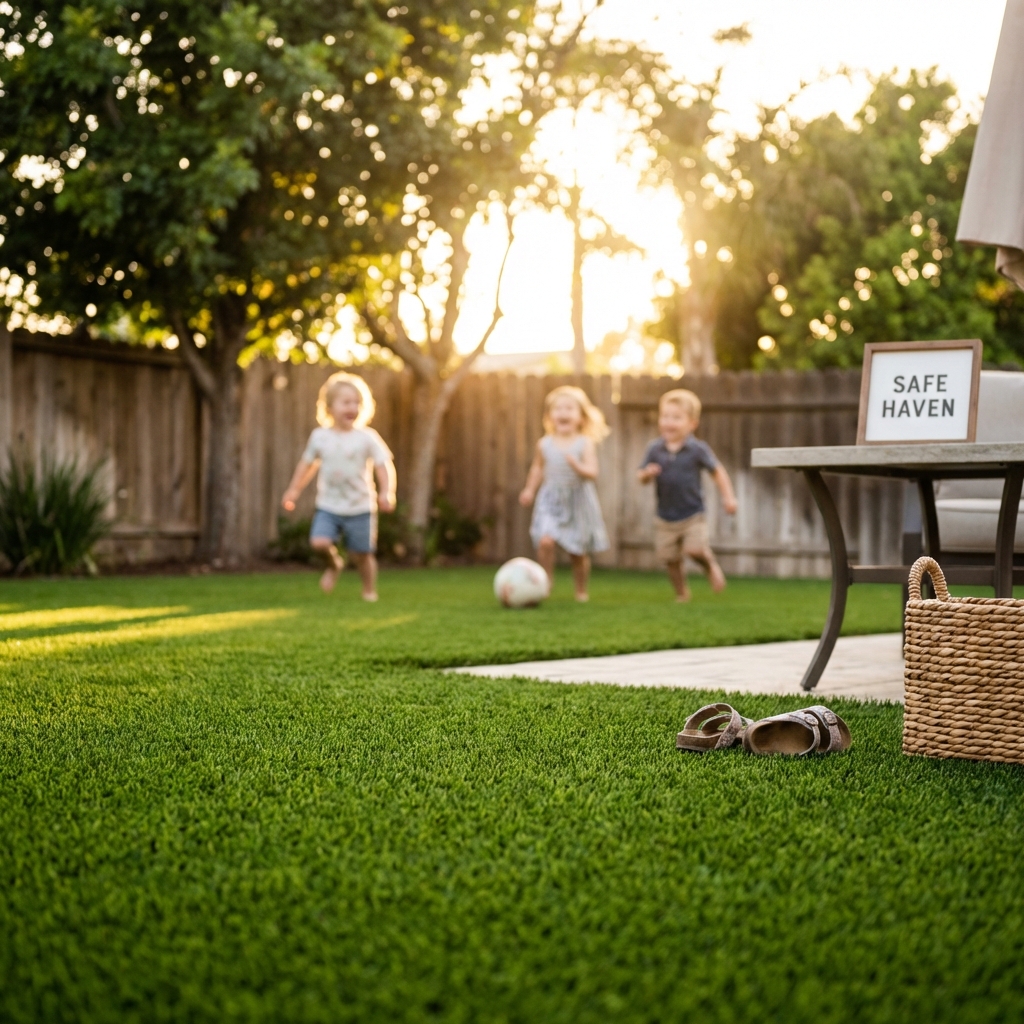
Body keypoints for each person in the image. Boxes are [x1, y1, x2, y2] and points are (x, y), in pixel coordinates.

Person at [281, 372, 396, 601]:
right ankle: (334, 564)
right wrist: (294, 489)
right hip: (329, 505)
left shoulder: (367, 437)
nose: (352, 407)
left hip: (360, 505)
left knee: (362, 554)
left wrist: (386, 492)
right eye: (346, 402)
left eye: (357, 402)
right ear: (329, 407)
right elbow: (307, 465)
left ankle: (369, 590)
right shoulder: (320, 437)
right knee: (319, 542)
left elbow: (384, 466)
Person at [637, 388, 737, 602]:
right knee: (670, 559)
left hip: (693, 513)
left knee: (694, 550)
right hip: (664, 516)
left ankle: (709, 565)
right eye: (665, 416)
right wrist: (647, 474)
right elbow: (641, 477)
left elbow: (718, 472)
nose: (669, 422)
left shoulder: (697, 449)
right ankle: (682, 593)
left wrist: (729, 498)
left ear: (692, 424)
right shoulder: (655, 449)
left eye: (676, 417)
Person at [519, 385, 610, 602]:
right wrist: (529, 490)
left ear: (581, 417)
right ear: (550, 416)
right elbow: (538, 468)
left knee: (577, 552)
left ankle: (580, 589)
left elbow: (592, 472)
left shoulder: (584, 443)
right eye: (558, 409)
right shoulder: (544, 444)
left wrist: (578, 466)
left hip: (577, 501)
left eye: (569, 408)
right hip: (551, 500)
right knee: (545, 542)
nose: (563, 412)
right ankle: (546, 583)